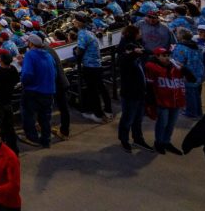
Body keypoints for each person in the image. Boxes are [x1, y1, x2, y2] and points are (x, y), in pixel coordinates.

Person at [117, 24, 154, 152]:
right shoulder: (126, 50)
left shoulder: (135, 45)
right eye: (139, 32)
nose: (141, 34)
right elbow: (124, 60)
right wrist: (134, 53)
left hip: (139, 90)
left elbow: (144, 52)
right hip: (130, 91)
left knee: (138, 118)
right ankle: (124, 139)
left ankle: (138, 138)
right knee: (128, 118)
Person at [144, 47, 185, 154]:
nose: (167, 58)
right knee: (163, 123)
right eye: (164, 56)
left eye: (168, 56)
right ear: (157, 57)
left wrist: (182, 68)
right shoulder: (152, 67)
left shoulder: (175, 67)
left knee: (171, 123)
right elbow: (150, 79)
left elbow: (189, 77)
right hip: (162, 102)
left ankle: (166, 142)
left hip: (175, 101)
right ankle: (159, 142)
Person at [19, 33, 55, 148]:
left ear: (31, 44)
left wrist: (24, 84)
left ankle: (32, 137)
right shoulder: (48, 55)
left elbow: (27, 74)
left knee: (28, 114)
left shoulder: (30, 55)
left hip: (33, 91)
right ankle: (46, 139)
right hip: (48, 90)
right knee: (45, 117)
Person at [73, 13, 109, 121]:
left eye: (75, 21)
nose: (73, 22)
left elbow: (80, 52)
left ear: (79, 23)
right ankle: (105, 111)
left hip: (90, 66)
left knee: (92, 90)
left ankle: (98, 115)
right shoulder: (89, 32)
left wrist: (76, 57)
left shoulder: (82, 34)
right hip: (96, 64)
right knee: (97, 88)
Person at [173, 27, 205, 118]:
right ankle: (198, 111)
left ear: (181, 36)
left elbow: (178, 62)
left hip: (188, 74)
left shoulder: (181, 47)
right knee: (196, 93)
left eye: (178, 34)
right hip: (199, 72)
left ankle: (191, 113)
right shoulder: (195, 44)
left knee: (189, 94)